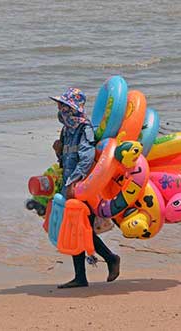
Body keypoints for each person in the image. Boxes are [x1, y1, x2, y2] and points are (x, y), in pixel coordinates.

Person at [50, 87, 121, 289]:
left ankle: (110, 258)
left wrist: (74, 182)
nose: (60, 109)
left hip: (83, 187)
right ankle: (80, 276)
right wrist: (58, 151)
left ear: (73, 108)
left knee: (82, 228)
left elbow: (87, 158)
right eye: (60, 105)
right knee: (75, 228)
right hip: (70, 184)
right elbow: (66, 159)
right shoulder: (67, 130)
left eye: (63, 105)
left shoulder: (84, 128)